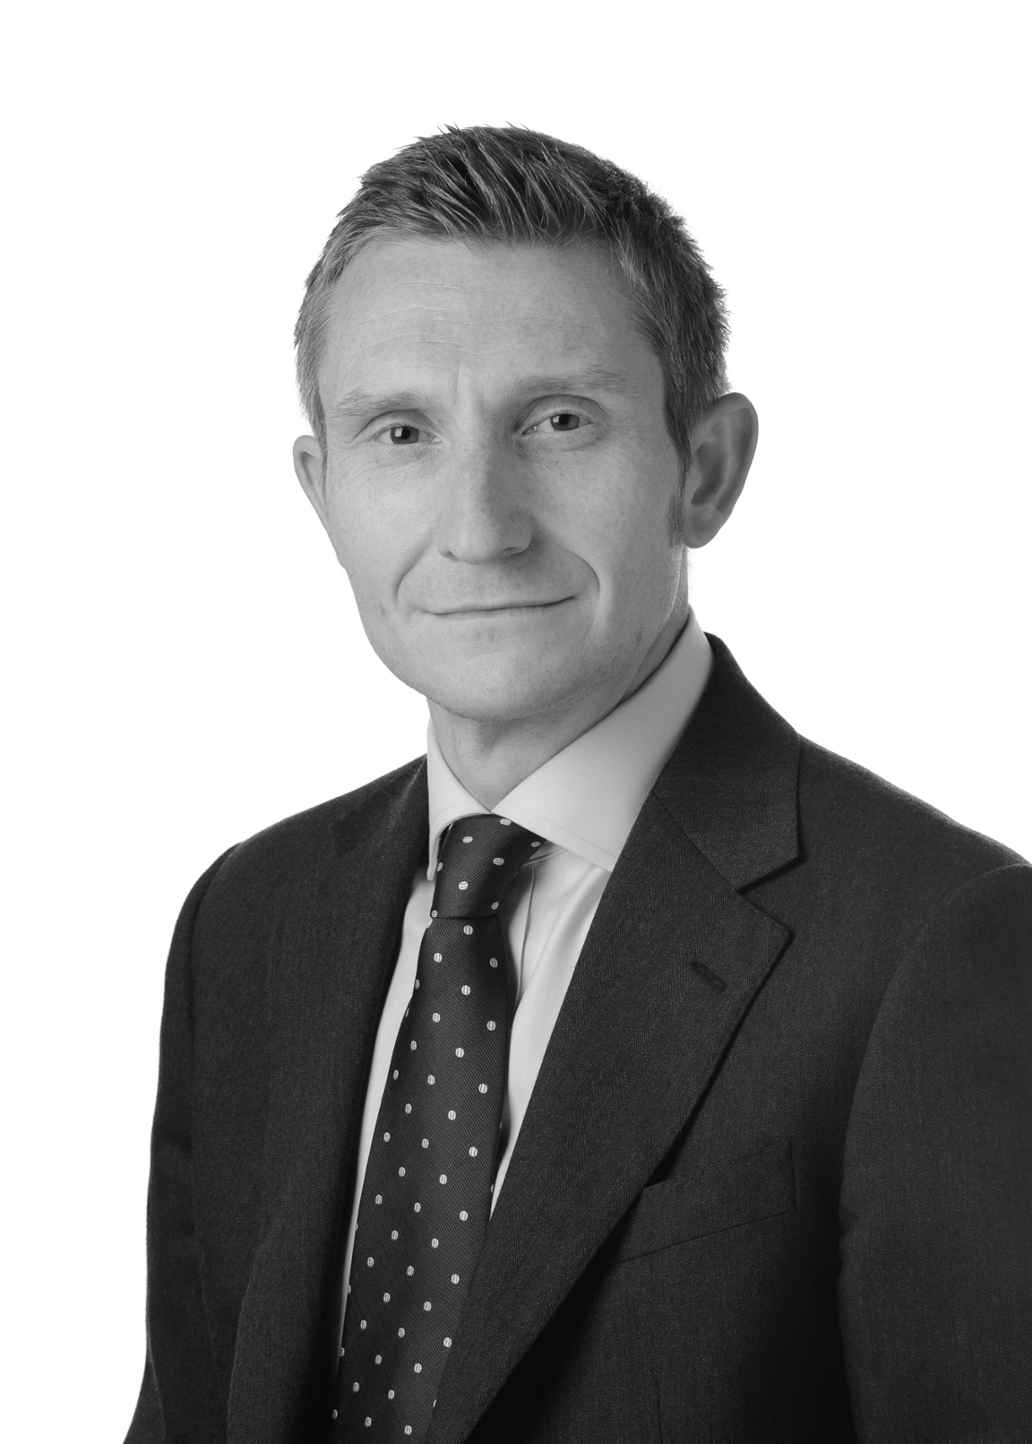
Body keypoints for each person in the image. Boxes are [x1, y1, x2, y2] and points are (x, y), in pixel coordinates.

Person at [124, 125, 1032, 1444]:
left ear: (704, 472)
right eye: (402, 432)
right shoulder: (249, 921)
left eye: (559, 421)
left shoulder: (940, 947)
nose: (481, 523)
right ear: (321, 492)